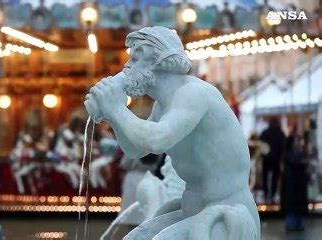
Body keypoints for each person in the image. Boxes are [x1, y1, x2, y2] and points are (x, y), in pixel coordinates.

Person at [85, 26, 259, 239]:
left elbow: (156, 140)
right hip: (194, 212)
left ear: (157, 62)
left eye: (135, 59)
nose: (127, 67)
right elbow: (135, 150)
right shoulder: (162, 105)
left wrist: (117, 110)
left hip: (226, 216)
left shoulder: (193, 94)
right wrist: (113, 115)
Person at [281, 135, 308, 231]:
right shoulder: (294, 155)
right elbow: (298, 164)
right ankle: (295, 224)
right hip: (294, 185)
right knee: (295, 207)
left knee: (294, 206)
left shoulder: (292, 154)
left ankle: (294, 224)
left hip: (293, 186)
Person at [259, 117, 286, 203]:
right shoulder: (280, 133)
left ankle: (266, 195)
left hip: (266, 159)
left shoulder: (265, 132)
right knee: (274, 179)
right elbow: (283, 148)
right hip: (276, 160)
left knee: (265, 178)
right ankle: (272, 195)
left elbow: (260, 145)